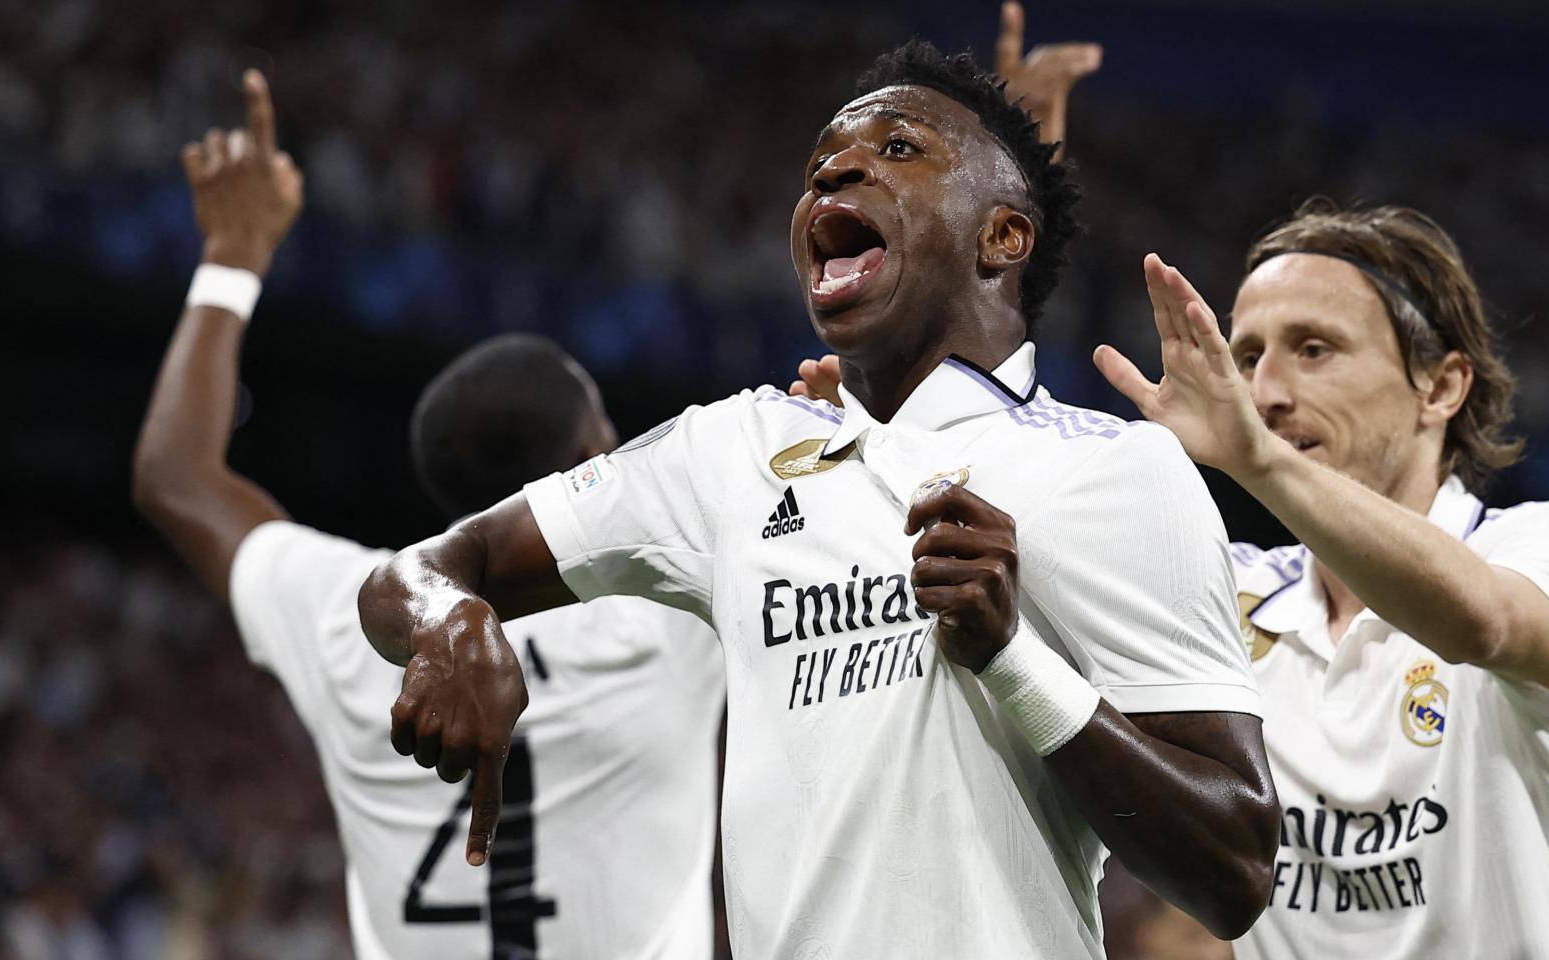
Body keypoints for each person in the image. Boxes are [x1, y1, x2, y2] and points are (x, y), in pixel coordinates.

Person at [358, 38, 1281, 960]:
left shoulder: (1120, 473)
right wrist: (451, 622)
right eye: (820, 169)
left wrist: (1012, 661)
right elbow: (427, 568)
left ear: (1003, 237)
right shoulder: (731, 454)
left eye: (901, 150)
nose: (837, 169)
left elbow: (1235, 872)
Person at [131, 70, 725, 960]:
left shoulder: (352, 614)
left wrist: (232, 256)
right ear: (592, 468)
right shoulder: (678, 606)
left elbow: (176, 475)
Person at [1091, 202, 1549, 957]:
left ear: (1441, 387)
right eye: (1246, 359)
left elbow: (1483, 623)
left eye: (1314, 349)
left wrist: (1260, 460)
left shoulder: (1548, 550)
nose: (1267, 392)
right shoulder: (1226, 598)